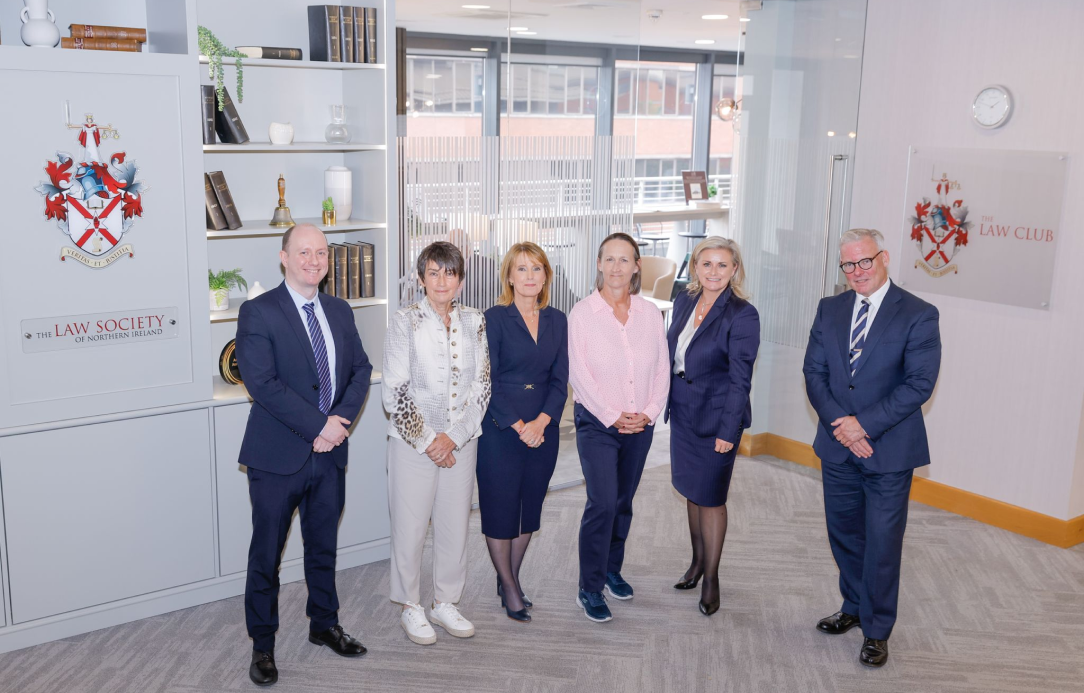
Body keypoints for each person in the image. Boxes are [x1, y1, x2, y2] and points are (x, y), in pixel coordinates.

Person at [235, 223, 374, 686]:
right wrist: (320, 425)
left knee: (323, 547)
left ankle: (324, 625)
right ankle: (263, 646)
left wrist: (340, 424)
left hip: (329, 454)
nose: (314, 261)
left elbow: (360, 369)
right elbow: (263, 384)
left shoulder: (338, 309)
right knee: (266, 557)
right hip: (277, 457)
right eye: (304, 253)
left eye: (321, 253)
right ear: (283, 257)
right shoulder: (259, 311)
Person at [802, 228, 941, 668]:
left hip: (889, 448)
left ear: (883, 258)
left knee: (882, 541)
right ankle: (854, 607)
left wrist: (863, 425)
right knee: (844, 532)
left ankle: (877, 630)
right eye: (848, 265)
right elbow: (814, 372)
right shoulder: (830, 308)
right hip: (838, 444)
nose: (857, 272)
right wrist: (842, 427)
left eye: (864, 262)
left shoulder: (918, 313)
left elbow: (919, 383)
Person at [382, 241, 491, 646]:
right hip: (414, 445)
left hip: (461, 442)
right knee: (410, 527)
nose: (441, 281)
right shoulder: (404, 321)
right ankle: (411, 606)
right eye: (433, 272)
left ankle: (446, 601)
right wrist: (432, 441)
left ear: (461, 280)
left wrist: (455, 437)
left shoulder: (476, 321)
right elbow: (394, 392)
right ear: (420, 277)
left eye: (449, 273)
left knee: (453, 525)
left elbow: (482, 386)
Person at [567, 232, 670, 623]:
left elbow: (661, 368)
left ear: (636, 266)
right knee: (603, 501)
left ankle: (612, 568)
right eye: (609, 259)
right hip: (597, 422)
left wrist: (649, 410)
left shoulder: (650, 314)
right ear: (598, 263)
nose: (616, 267)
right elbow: (580, 373)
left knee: (624, 500)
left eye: (624, 260)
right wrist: (613, 415)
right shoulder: (582, 314)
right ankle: (589, 586)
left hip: (640, 423)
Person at [665, 237, 760, 616]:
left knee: (712, 497)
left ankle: (712, 577)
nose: (714, 272)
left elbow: (741, 380)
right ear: (695, 267)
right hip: (685, 413)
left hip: (719, 418)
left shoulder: (742, 314)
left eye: (723, 265)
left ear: (735, 269)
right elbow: (672, 356)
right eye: (707, 264)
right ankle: (697, 561)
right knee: (692, 490)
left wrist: (728, 430)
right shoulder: (683, 301)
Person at [477, 242, 569, 623]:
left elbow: (561, 381)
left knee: (529, 506)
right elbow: (488, 381)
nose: (530, 276)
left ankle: (508, 577)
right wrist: (518, 425)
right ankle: (510, 587)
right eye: (522, 269)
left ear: (546, 275)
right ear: (509, 277)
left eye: (537, 269)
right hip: (501, 427)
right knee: (501, 508)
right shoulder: (494, 318)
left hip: (543, 428)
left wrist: (542, 422)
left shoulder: (558, 320)